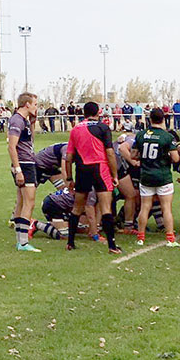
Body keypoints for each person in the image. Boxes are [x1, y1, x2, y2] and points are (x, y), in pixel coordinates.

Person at [65, 101, 121, 254]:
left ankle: (70, 242)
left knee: (77, 207)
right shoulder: (103, 127)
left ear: (84, 114)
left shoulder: (75, 129)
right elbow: (110, 153)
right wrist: (114, 175)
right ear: (98, 112)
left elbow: (69, 157)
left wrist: (69, 178)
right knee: (105, 208)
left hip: (82, 169)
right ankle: (112, 245)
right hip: (99, 168)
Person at [132, 108, 180, 247]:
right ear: (164, 119)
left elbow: (133, 155)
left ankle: (140, 237)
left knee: (145, 207)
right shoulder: (167, 137)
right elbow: (176, 158)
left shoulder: (141, 135)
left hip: (146, 175)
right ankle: (170, 238)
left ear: (150, 119)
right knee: (166, 208)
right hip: (162, 176)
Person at [8, 92, 42, 252]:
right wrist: (18, 170)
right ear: (27, 104)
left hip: (28, 162)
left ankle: (21, 241)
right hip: (24, 165)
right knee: (29, 202)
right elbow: (11, 146)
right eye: (35, 104)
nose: (36, 107)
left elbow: (30, 142)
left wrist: (33, 123)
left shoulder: (25, 121)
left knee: (22, 202)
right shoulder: (16, 120)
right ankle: (22, 242)